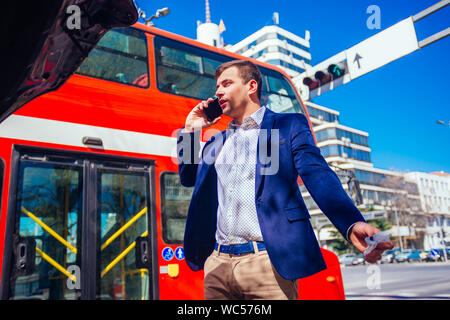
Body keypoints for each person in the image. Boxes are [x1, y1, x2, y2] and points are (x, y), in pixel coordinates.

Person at [176, 60, 393, 300]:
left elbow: (317, 173)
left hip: (265, 263)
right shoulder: (217, 142)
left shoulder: (287, 126)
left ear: (251, 86)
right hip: (218, 264)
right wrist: (191, 130)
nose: (218, 92)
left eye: (226, 83)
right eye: (217, 86)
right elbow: (188, 178)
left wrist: (351, 222)